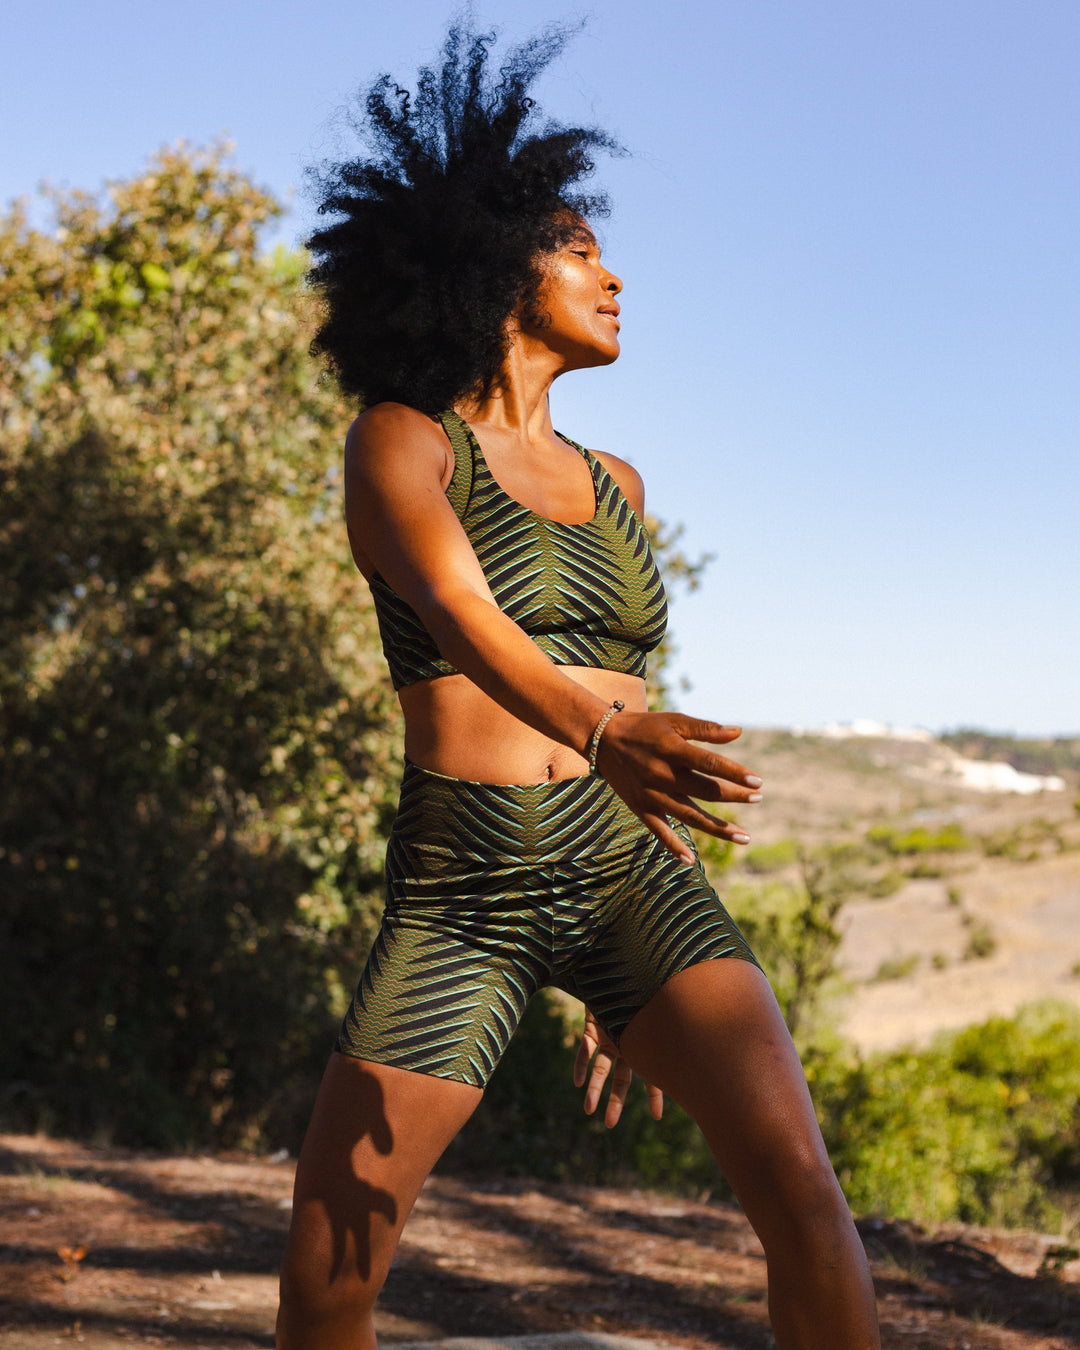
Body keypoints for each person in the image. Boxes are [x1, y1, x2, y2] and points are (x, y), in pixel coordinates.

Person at [277, 23, 880, 1350]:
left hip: (628, 873)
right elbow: (462, 612)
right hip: (467, 883)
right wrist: (603, 729)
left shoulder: (621, 487)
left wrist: (636, 982)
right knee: (331, 1270)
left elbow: (630, 690)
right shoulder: (400, 440)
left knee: (799, 1183)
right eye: (583, 249)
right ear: (498, 266)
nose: (615, 276)